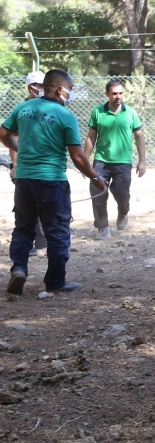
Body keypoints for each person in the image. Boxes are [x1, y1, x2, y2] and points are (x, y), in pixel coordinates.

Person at [0, 69, 106, 295]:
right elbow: (78, 156)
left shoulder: (23, 108)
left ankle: (19, 269)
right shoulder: (65, 116)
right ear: (60, 89)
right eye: (71, 88)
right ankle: (56, 281)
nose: (72, 93)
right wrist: (96, 177)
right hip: (51, 181)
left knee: (23, 229)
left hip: (24, 180)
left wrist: (22, 149)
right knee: (57, 231)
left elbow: (3, 133)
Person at [83, 79, 146, 239]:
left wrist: (142, 161)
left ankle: (123, 212)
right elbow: (91, 137)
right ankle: (102, 227)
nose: (118, 96)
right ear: (107, 94)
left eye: (120, 93)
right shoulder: (98, 112)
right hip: (101, 161)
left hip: (123, 162)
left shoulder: (131, 113)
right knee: (98, 193)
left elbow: (139, 137)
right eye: (114, 93)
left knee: (121, 193)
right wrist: (84, 161)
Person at [7, 71, 49, 255]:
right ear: (31, 87)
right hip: (25, 166)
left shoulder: (50, 106)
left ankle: (41, 240)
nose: (42, 88)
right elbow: (12, 138)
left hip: (45, 164)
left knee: (45, 203)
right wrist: (15, 165)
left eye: (44, 85)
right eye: (39, 85)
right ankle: (30, 243)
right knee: (25, 207)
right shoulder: (22, 109)